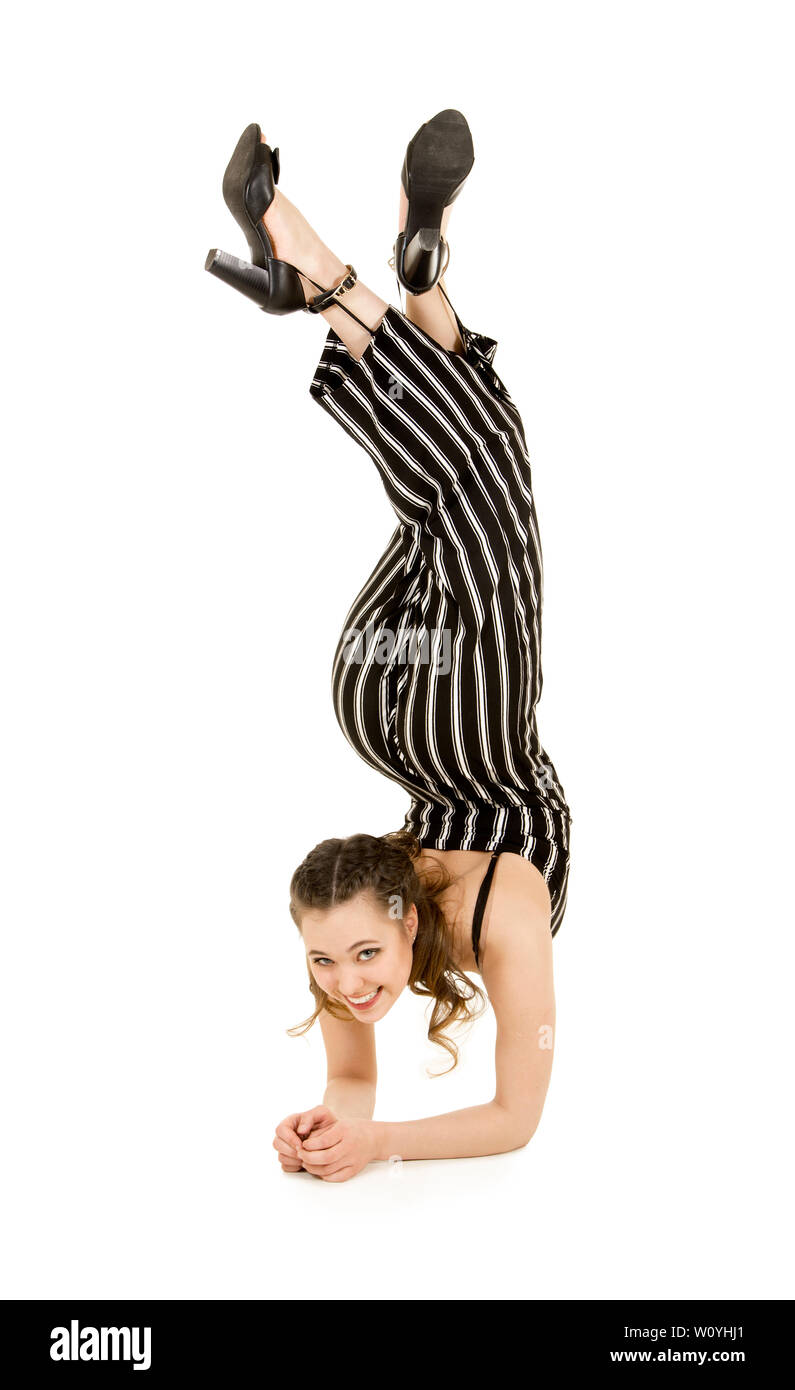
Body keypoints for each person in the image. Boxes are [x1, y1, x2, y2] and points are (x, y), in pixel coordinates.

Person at [206, 111, 573, 1182]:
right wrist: (334, 1128)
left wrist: (372, 1141)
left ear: (401, 911)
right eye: (333, 962)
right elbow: (501, 1116)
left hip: (464, 729)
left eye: (353, 955)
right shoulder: (486, 912)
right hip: (396, 707)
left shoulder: (360, 910)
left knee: (480, 489)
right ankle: (414, 284)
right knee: (470, 473)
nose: (347, 981)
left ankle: (322, 278)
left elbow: (504, 1119)